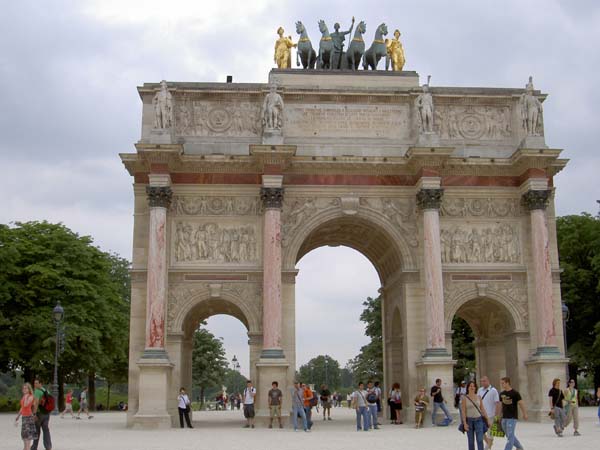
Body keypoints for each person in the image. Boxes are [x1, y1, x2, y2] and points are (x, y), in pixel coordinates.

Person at [496, 376, 528, 450]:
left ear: (507, 383)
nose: (502, 385)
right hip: (504, 417)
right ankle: (519, 447)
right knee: (509, 435)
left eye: (503, 383)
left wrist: (525, 413)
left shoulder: (515, 393)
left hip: (512, 417)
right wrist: (498, 415)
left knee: (510, 435)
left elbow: (521, 403)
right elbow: (500, 405)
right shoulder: (502, 393)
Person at [461, 381, 490, 450]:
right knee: (471, 441)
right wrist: (464, 423)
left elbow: (482, 409)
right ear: (468, 388)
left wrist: (487, 419)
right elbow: (463, 411)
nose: (472, 387)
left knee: (480, 440)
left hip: (478, 420)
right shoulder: (464, 398)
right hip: (469, 421)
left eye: (473, 386)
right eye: (470, 386)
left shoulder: (478, 397)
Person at [477, 376, 500, 450]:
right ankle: (489, 444)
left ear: (488, 381)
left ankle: (488, 447)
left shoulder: (493, 390)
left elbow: (497, 403)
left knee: (490, 433)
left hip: (491, 414)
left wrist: (496, 415)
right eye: (482, 381)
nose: (483, 383)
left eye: (484, 381)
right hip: (481, 414)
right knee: (481, 431)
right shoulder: (480, 390)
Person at [15, 383, 37, 450]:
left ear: (29, 389)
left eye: (26, 388)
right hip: (24, 417)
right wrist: (18, 416)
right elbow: (22, 408)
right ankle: (25, 448)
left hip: (29, 418)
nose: (24, 389)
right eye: (23, 388)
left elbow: (25, 405)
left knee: (28, 437)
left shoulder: (30, 396)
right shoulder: (24, 396)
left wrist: (26, 396)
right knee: (24, 436)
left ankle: (27, 448)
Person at [31, 378, 51, 450]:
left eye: (36, 383)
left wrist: (34, 414)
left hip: (39, 413)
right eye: (34, 383)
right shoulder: (46, 391)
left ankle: (34, 447)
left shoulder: (37, 391)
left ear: (40, 384)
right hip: (46, 413)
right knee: (46, 430)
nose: (35, 385)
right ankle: (48, 446)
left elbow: (36, 403)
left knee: (37, 430)